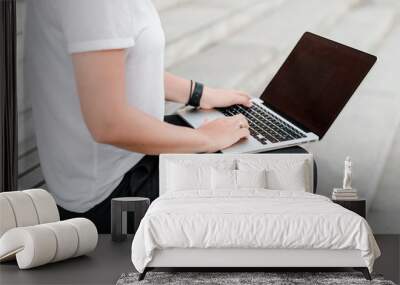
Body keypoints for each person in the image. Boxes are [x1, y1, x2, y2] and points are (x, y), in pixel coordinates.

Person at [25, 0, 252, 233]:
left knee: (248, 137)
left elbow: (118, 65)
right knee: (256, 179)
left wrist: (199, 94)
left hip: (121, 161)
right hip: (112, 195)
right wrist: (207, 140)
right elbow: (108, 123)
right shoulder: (98, 6)